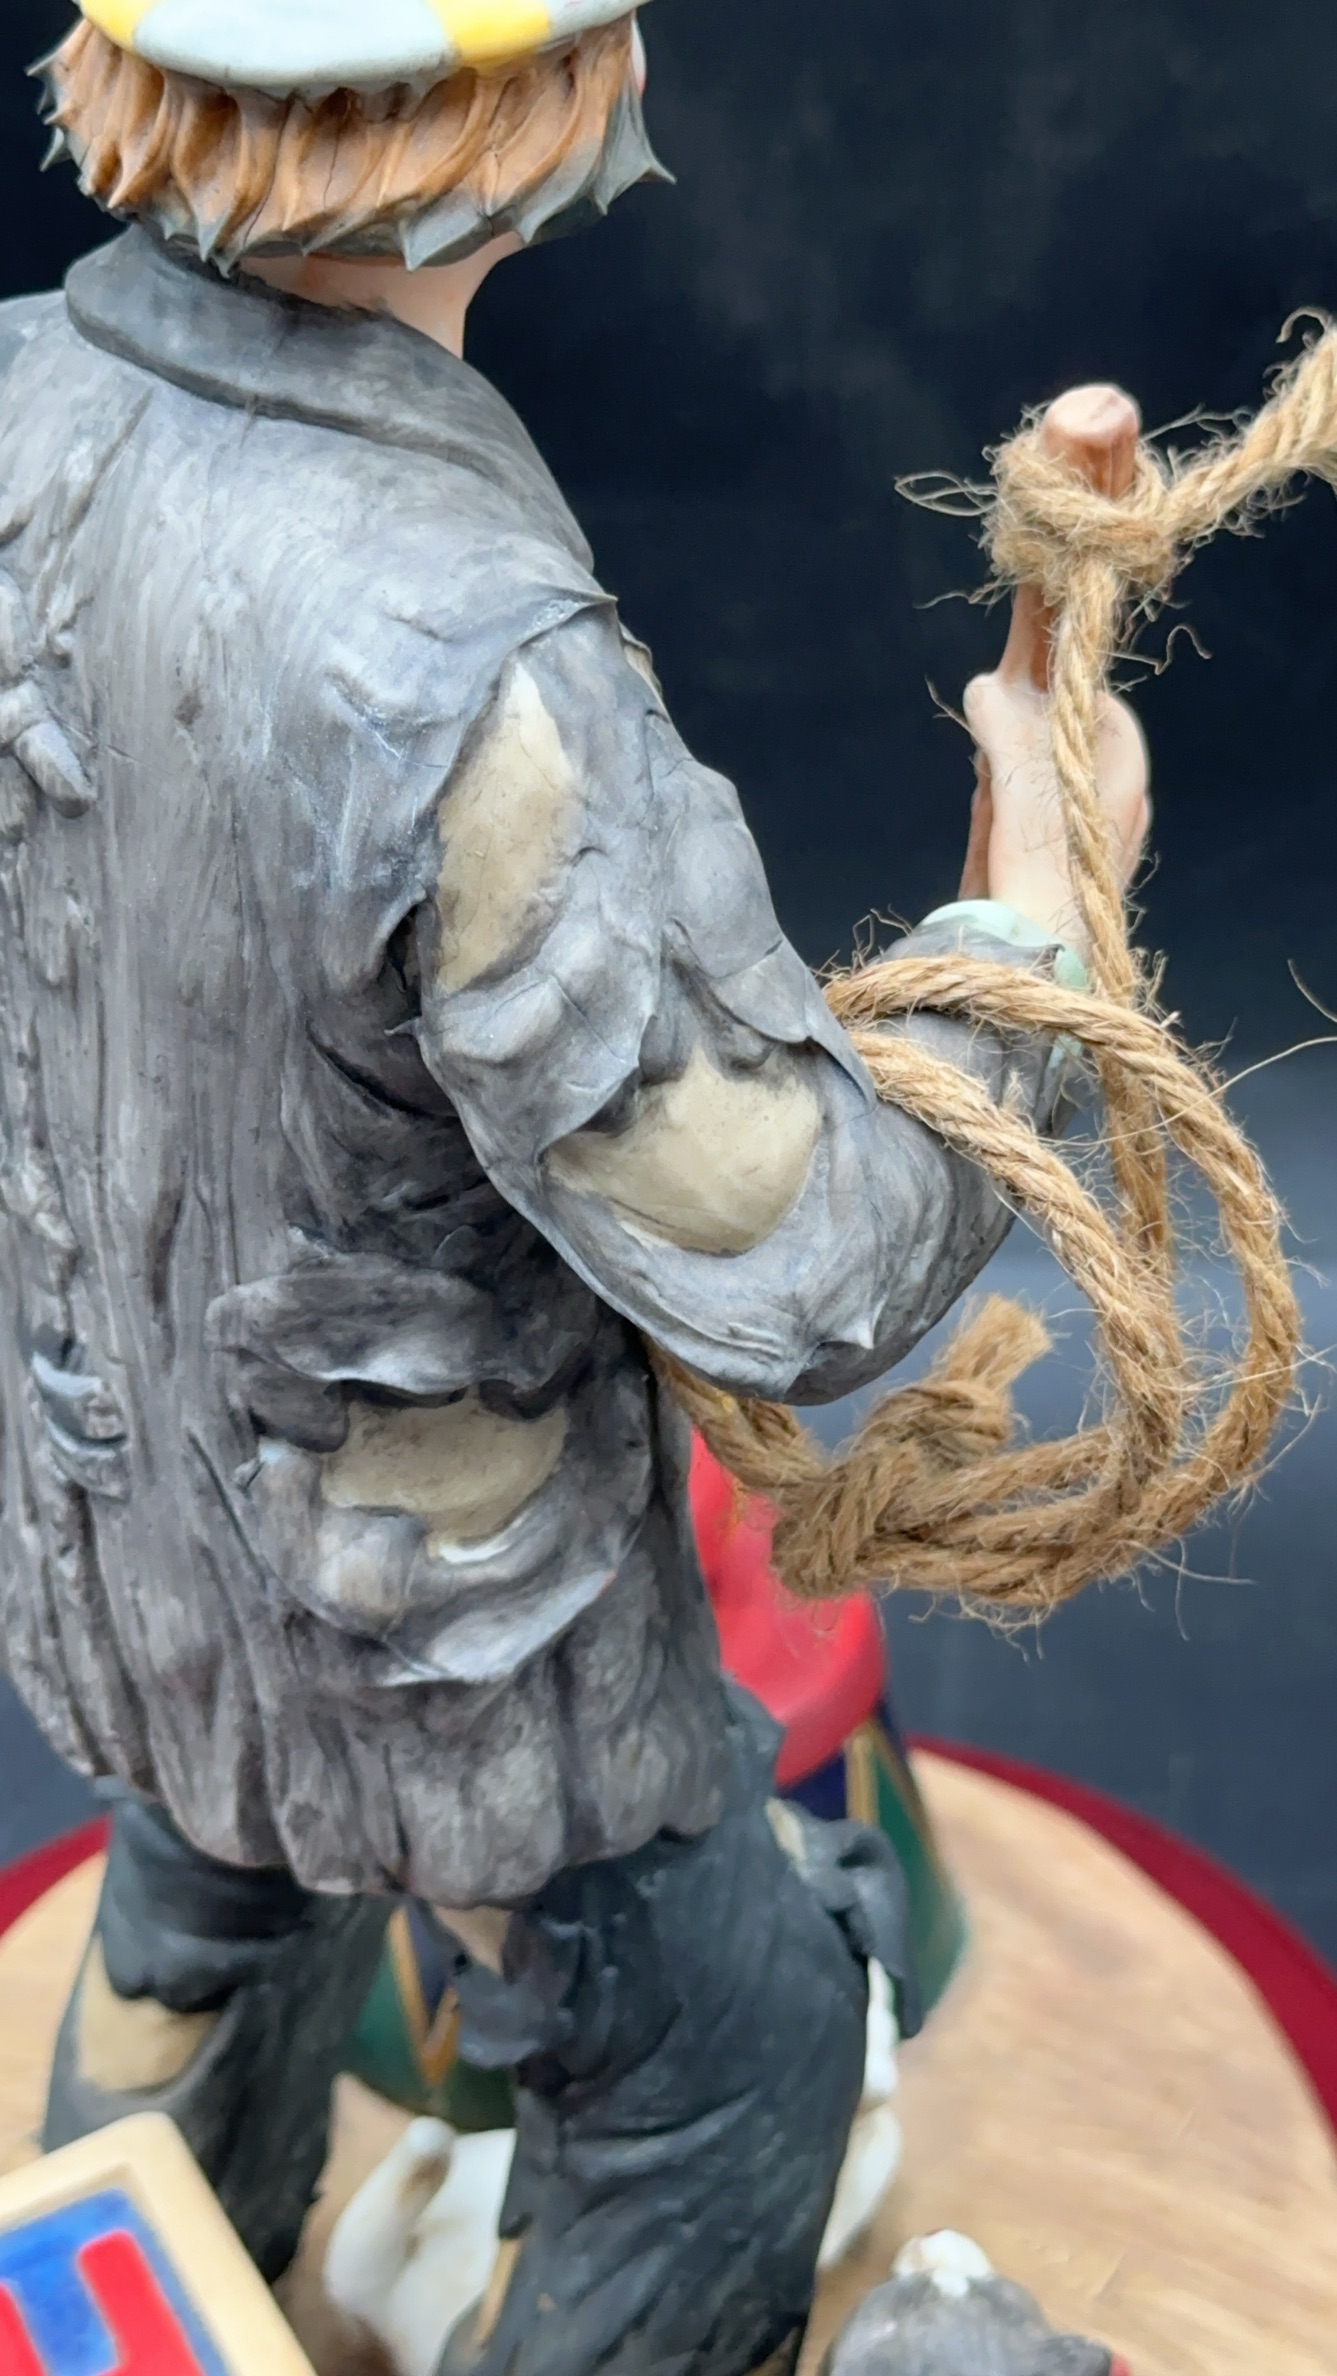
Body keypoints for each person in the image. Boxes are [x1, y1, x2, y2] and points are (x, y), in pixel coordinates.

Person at [0, 6, 1148, 2371]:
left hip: (119, 1521)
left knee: (208, 1895)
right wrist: (1036, 914)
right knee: (733, 2065)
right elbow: (783, 1242)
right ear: (533, 105)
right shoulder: (456, 651)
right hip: (439, 1616)